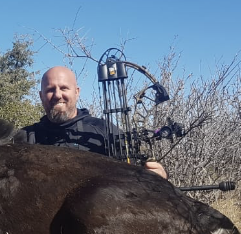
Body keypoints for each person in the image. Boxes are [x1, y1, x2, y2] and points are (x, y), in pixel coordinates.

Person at [13, 66, 168, 177]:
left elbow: (134, 173)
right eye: (50, 90)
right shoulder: (23, 138)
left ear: (77, 92)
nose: (57, 95)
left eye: (64, 88)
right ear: (41, 95)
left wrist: (158, 175)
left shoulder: (104, 130)